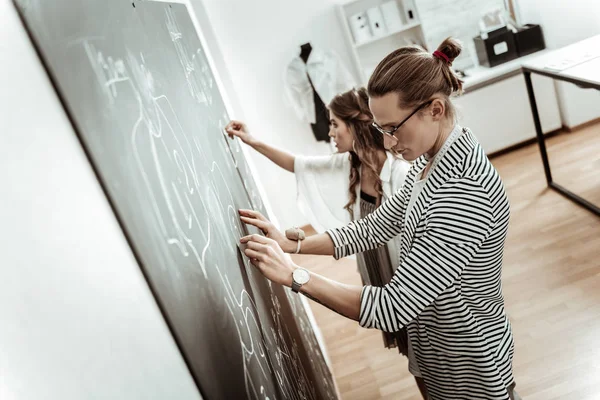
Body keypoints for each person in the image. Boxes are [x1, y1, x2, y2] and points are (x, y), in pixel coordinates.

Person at [238, 38, 520, 400]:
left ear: (434, 109)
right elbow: (379, 224)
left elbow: (393, 307)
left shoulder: (462, 192)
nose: (387, 144)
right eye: (381, 130)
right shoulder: (430, 159)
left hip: (467, 363)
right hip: (435, 346)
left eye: (392, 128)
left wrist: (294, 274)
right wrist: (292, 243)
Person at [225, 89, 429, 396]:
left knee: (422, 345)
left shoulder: (399, 172)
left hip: (405, 273)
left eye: (335, 124)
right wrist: (252, 141)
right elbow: (298, 163)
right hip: (378, 270)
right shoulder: (353, 164)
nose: (330, 132)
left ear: (356, 125)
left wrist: (293, 253)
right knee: (413, 349)